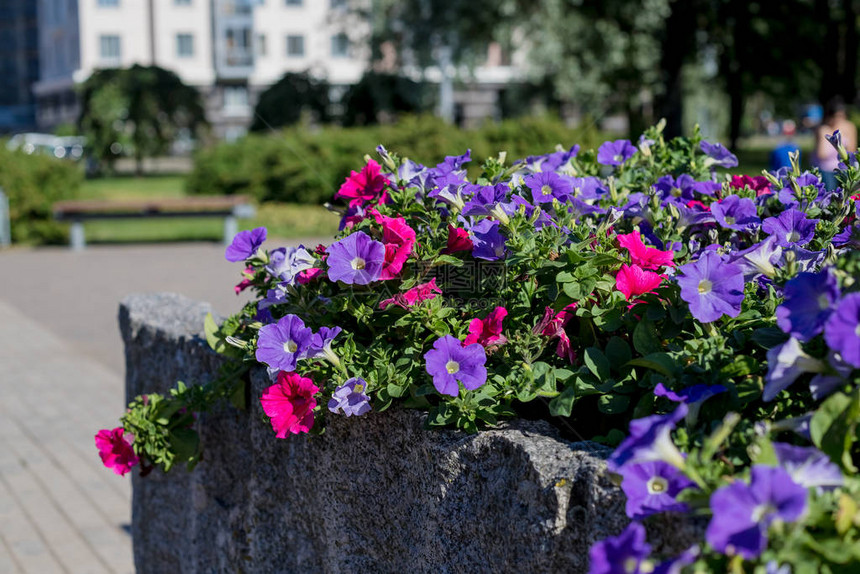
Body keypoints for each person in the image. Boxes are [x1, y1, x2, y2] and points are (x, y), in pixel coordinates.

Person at [815, 97, 857, 190]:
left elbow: (852, 150)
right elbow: (821, 154)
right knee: (830, 195)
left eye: (841, 116)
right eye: (835, 116)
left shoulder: (849, 127)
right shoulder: (823, 129)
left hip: (844, 167)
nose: (838, 119)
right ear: (829, 116)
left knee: (847, 194)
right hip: (826, 168)